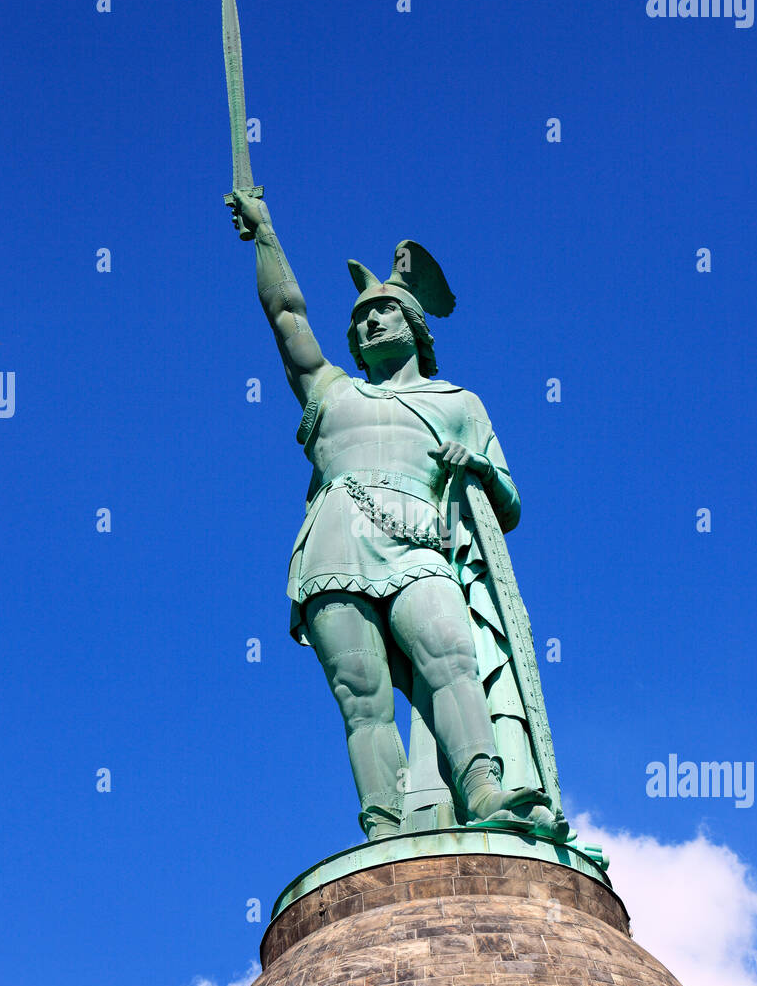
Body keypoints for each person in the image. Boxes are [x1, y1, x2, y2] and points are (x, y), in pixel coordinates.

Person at [228, 187, 565, 843]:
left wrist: (477, 465)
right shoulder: (331, 392)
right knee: (362, 697)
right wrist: (265, 233)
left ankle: (484, 788)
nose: (370, 324)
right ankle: (384, 827)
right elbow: (287, 314)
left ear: (415, 325)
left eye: (384, 312)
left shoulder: (459, 403)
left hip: (421, 546)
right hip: (335, 545)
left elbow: (510, 506)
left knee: (451, 655)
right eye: (360, 319)